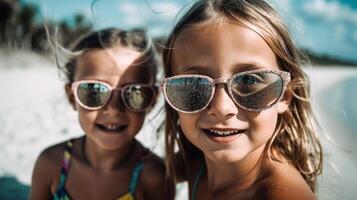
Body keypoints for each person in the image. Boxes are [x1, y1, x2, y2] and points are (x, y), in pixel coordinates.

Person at [161, 0, 322, 199]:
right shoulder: (195, 163)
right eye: (194, 84)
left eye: (248, 80)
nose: (221, 107)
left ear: (284, 96)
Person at [30, 28, 174, 200]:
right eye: (94, 91)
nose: (113, 109)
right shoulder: (51, 163)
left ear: (152, 100)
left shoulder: (155, 176)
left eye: (134, 92)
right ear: (72, 97)